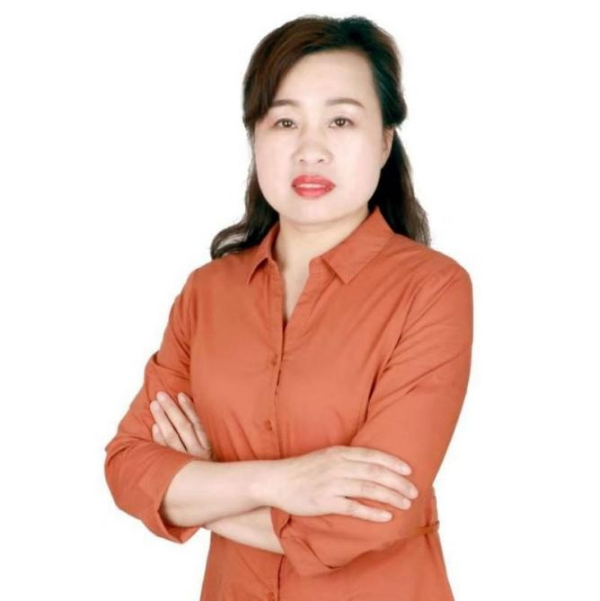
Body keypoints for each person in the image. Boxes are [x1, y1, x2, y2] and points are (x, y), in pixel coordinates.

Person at [104, 14, 473, 601]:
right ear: (256, 138)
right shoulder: (207, 293)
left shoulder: (431, 288)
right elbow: (128, 469)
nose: (310, 150)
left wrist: (206, 489)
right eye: (284, 121)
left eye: (341, 120)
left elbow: (373, 514)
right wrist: (282, 482)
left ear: (384, 142)